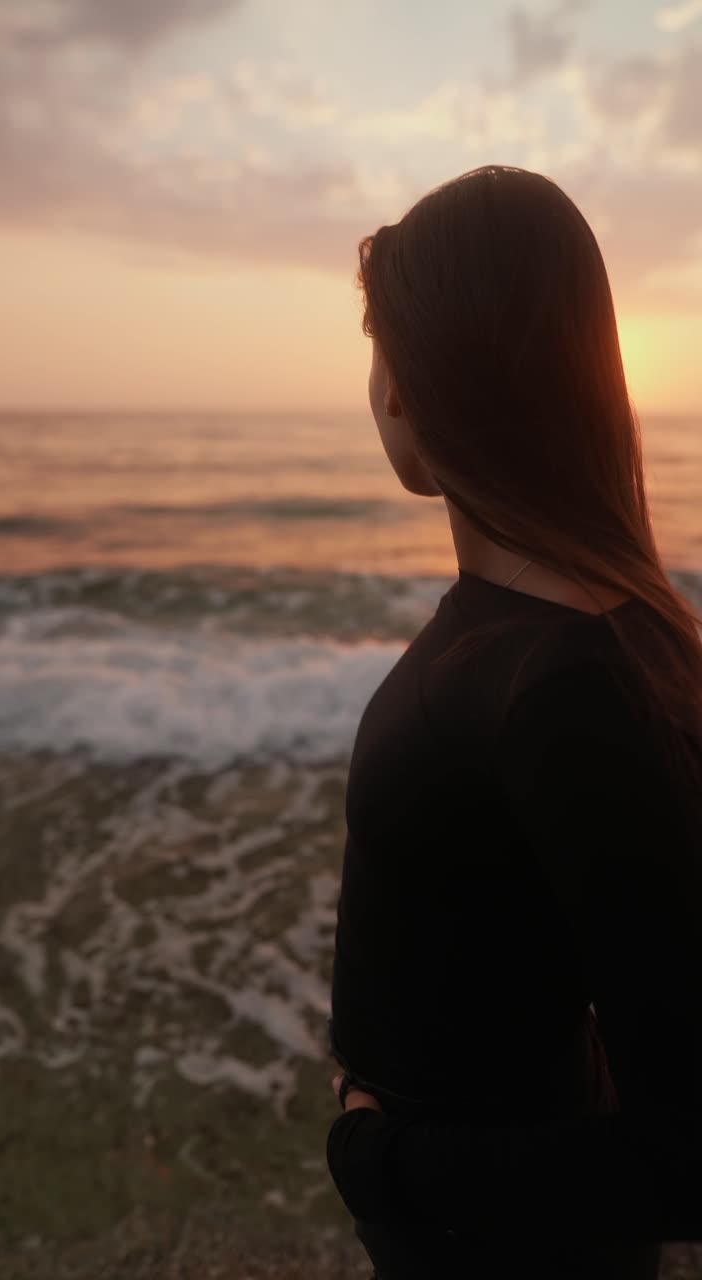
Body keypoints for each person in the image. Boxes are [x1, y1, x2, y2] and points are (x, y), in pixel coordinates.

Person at [323, 165, 702, 1279]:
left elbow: (687, 1155)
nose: (382, 390)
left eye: (382, 346)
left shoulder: (567, 688)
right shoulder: (555, 633)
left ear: (422, 381)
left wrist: (378, 1160)